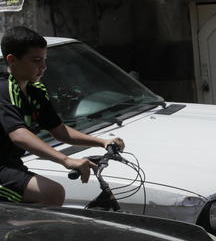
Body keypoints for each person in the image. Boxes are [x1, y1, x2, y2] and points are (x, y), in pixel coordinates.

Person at [0, 26, 124, 206]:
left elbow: (59, 131)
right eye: (36, 60)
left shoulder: (35, 91)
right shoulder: (4, 90)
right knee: (52, 193)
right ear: (12, 60)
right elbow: (18, 135)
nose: (43, 67)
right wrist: (66, 160)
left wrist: (102, 142)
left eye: (44, 60)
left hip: (11, 165)